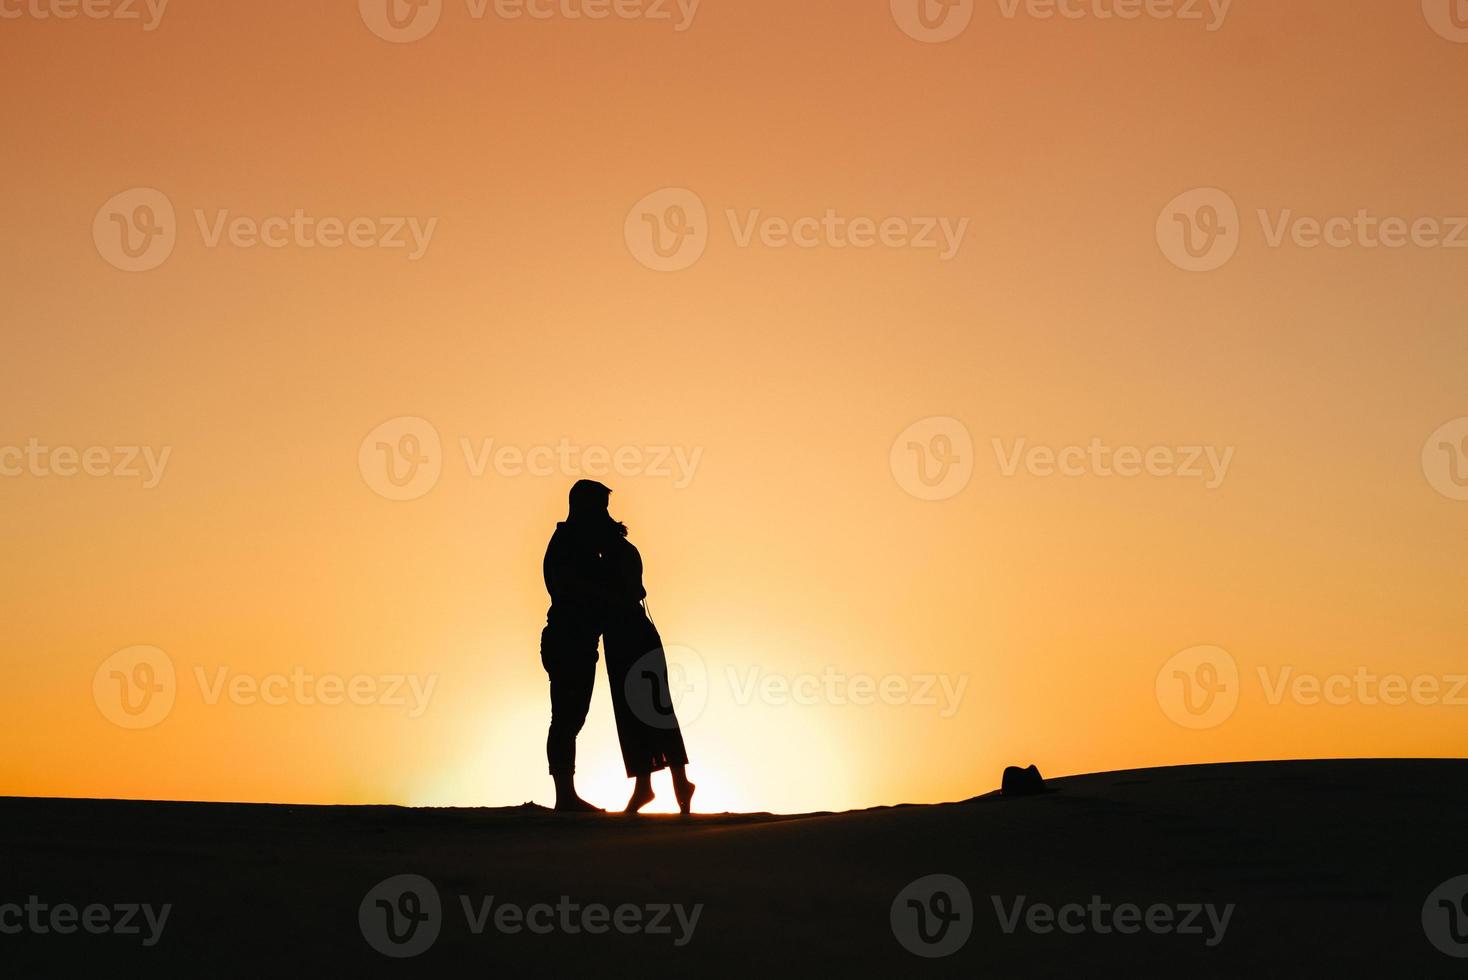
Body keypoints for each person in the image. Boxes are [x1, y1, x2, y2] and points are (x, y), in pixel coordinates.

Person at [600, 516, 695, 815]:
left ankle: (673, 782)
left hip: (631, 635)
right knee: (640, 711)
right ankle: (650, 785)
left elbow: (624, 593)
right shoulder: (621, 551)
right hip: (627, 635)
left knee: (652, 707)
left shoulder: (617, 554)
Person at [539, 480, 615, 812]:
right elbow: (574, 589)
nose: (605, 513)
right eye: (600, 506)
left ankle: (566, 794)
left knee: (572, 716)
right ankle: (565, 796)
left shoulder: (579, 542)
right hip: (568, 638)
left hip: (579, 639)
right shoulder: (569, 543)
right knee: (566, 717)